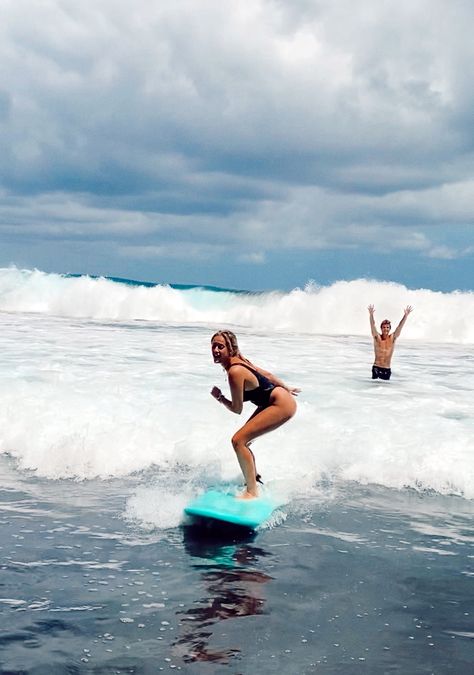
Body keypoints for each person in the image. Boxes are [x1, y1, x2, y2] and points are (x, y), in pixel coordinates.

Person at [210, 330, 299, 499]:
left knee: (238, 441)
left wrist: (220, 398)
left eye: (220, 346)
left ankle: (251, 492)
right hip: (277, 399)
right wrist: (286, 387)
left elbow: (237, 409)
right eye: (213, 346)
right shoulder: (241, 361)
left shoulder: (235, 371)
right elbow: (268, 375)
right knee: (244, 441)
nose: (215, 350)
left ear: (231, 349)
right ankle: (254, 480)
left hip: (280, 403)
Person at [368, 305, 413, 380]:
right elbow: (372, 325)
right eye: (384, 327)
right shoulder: (377, 337)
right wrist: (371, 315)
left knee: (385, 391)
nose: (386, 329)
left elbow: (399, 327)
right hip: (376, 368)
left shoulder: (393, 338)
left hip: (387, 369)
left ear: (390, 329)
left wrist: (405, 316)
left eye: (387, 327)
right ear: (381, 328)